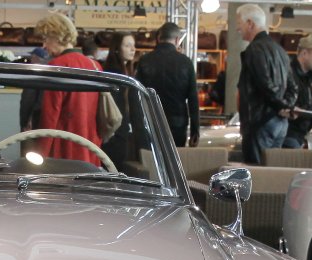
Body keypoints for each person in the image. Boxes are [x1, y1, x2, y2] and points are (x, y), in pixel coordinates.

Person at [30, 11, 104, 165]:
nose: (44, 46)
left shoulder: (57, 66)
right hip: (91, 146)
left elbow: (50, 115)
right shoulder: (95, 66)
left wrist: (41, 154)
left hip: (64, 147)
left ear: (57, 36)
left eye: (46, 39)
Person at [233, 4, 293, 166]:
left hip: (259, 122)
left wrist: (281, 106)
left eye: (239, 23)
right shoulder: (280, 50)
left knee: (256, 172)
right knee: (271, 172)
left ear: (250, 23)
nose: (237, 28)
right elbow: (293, 86)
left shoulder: (254, 50)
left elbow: (264, 84)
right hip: (280, 123)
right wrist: (286, 107)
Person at [135, 21, 200, 148]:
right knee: (175, 156)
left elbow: (137, 94)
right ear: (177, 40)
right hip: (178, 123)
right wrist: (195, 130)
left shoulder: (145, 60)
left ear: (159, 38)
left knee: (151, 157)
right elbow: (193, 99)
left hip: (151, 120)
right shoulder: (186, 62)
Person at [283, 33, 312, 148]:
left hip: (296, 136)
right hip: (289, 136)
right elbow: (291, 106)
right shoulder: (291, 75)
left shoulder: (304, 76)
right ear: (304, 53)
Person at [100, 33, 138, 167]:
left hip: (115, 131)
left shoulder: (122, 71)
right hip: (115, 132)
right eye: (127, 46)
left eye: (133, 45)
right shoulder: (116, 74)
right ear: (116, 49)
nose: (133, 49)